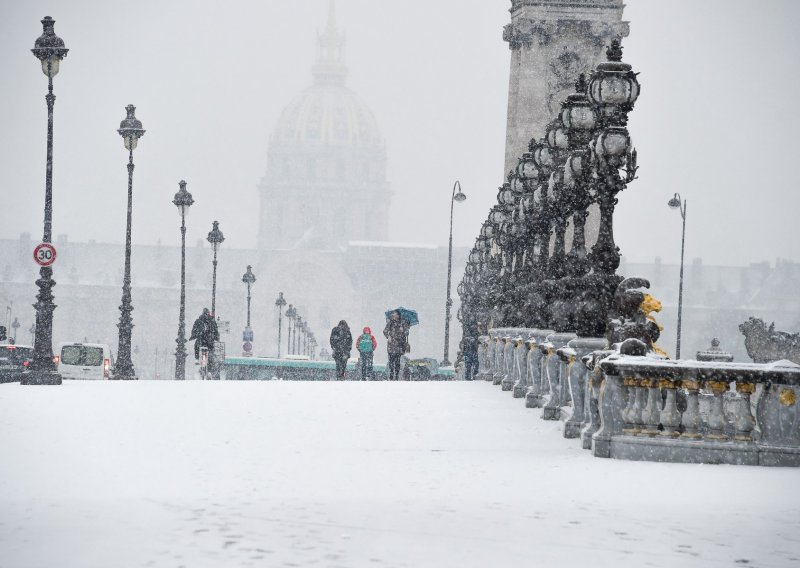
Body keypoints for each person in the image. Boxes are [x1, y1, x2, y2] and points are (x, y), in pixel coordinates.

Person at [383, 310, 409, 381]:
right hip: (391, 346)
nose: (393, 315)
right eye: (393, 314)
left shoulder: (403, 322)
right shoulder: (390, 322)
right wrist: (388, 336)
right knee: (391, 362)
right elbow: (385, 331)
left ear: (398, 315)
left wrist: (403, 330)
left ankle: (396, 377)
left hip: (399, 345)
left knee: (397, 362)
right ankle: (391, 377)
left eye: (395, 314)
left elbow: (407, 332)